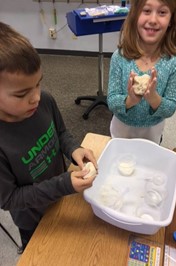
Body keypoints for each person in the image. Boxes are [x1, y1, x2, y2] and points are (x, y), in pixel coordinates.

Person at [0, 22, 97, 253]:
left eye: (38, 83)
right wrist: (63, 184)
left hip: (62, 198)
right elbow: (9, 198)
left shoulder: (45, 101)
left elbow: (61, 132)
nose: (35, 97)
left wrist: (74, 149)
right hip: (33, 219)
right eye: (22, 94)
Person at [107, 0, 176, 144]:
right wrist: (131, 100)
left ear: (171, 20)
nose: (153, 20)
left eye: (162, 12)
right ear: (135, 15)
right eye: (146, 11)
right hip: (121, 132)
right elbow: (112, 101)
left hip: (152, 134)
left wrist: (153, 98)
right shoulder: (119, 57)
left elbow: (170, 108)